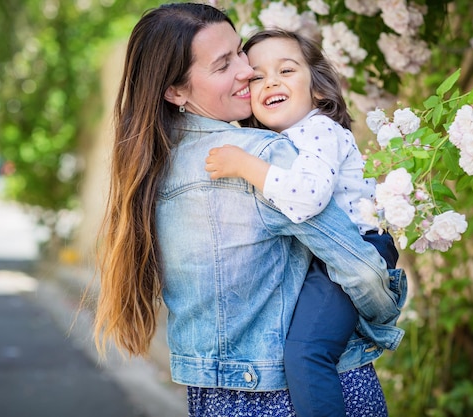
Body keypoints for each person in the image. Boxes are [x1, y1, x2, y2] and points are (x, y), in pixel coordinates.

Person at [92, 3, 406, 417]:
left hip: (215, 399)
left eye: (240, 51)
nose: (248, 71)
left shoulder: (156, 166)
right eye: (224, 64)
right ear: (176, 91)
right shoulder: (260, 157)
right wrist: (382, 312)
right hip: (294, 394)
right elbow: (363, 271)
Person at [204, 29, 401, 417]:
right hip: (326, 255)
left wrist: (246, 167)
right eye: (257, 76)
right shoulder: (285, 139)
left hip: (352, 252)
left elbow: (308, 198)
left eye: (287, 70)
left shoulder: (319, 130)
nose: (271, 81)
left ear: (319, 91)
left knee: (307, 352)